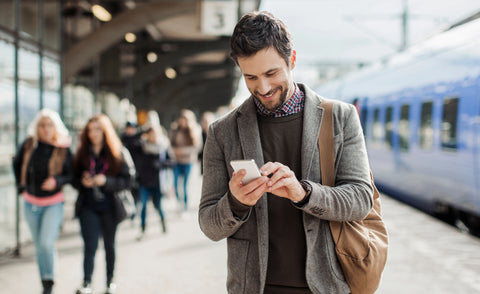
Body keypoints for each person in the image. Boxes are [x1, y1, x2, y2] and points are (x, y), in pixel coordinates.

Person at [198, 11, 374, 294]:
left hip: (327, 285)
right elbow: (209, 225)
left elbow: (361, 200)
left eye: (271, 73)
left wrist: (303, 193)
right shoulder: (222, 132)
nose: (263, 87)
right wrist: (235, 202)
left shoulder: (340, 117)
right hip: (253, 287)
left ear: (292, 60)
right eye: (251, 77)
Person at [13, 108, 73, 294]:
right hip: (31, 202)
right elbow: (17, 163)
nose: (46, 129)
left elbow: (71, 174)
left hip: (53, 202)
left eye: (49, 125)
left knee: (47, 242)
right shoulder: (29, 145)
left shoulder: (63, 148)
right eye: (42, 125)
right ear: (37, 127)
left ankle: (50, 279)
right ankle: (45, 281)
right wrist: (21, 186)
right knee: (39, 245)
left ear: (55, 127)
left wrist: (56, 181)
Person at [73, 114, 135, 294]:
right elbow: (74, 177)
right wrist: (82, 181)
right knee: (90, 244)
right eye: (91, 130)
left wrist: (105, 181)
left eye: (98, 129)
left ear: (106, 130)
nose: (94, 133)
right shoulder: (82, 152)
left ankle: (110, 282)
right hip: (88, 205)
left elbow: (129, 180)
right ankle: (86, 283)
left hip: (110, 206)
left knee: (110, 245)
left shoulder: (118, 151)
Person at [136, 121, 170, 239]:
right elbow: (129, 141)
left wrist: (160, 164)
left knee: (158, 206)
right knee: (143, 206)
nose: (153, 136)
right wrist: (142, 130)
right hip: (144, 182)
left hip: (158, 183)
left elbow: (171, 162)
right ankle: (143, 229)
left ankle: (163, 223)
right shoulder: (142, 146)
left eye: (155, 133)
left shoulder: (163, 147)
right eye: (151, 133)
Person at [168, 109, 202, 213]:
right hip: (176, 161)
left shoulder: (194, 130)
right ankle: (179, 202)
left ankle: (186, 206)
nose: (182, 122)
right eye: (181, 119)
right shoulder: (174, 130)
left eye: (185, 120)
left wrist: (182, 151)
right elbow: (169, 145)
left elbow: (197, 147)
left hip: (188, 162)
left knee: (186, 185)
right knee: (176, 183)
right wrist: (174, 152)